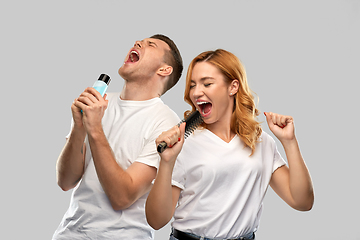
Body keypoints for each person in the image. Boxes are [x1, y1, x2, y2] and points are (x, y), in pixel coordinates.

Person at [145, 49, 314, 240]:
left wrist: (289, 142)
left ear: (233, 87)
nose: (196, 92)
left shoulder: (260, 141)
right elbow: (156, 221)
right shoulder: (183, 143)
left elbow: (302, 202)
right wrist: (167, 162)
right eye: (192, 85)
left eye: (207, 83)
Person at [53, 34, 183, 240]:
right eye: (139, 41)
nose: (138, 43)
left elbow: (122, 197)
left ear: (164, 69)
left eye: (151, 45)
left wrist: (94, 128)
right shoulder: (99, 103)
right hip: (68, 234)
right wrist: (79, 129)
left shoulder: (166, 124)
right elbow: (65, 181)